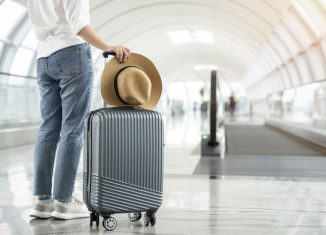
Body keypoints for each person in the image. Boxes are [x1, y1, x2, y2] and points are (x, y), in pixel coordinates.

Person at [27, 0, 131, 220]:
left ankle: (42, 201)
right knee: (72, 129)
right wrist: (108, 46)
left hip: (43, 57)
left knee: (48, 129)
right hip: (70, 52)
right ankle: (64, 202)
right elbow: (79, 25)